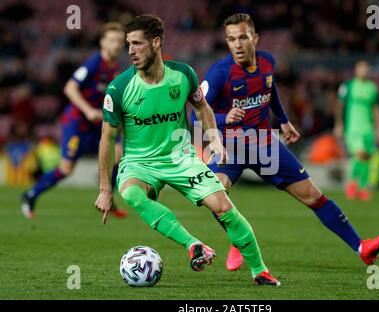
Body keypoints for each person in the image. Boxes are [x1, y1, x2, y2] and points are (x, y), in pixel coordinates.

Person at [190, 13, 379, 272]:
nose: (237, 44)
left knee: (313, 196)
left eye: (242, 37)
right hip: (232, 147)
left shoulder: (268, 63)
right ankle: (238, 239)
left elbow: (269, 91)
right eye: (231, 39)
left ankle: (362, 248)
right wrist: (222, 116)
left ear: (255, 38)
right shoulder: (219, 73)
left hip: (265, 146)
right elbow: (197, 109)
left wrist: (283, 120)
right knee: (215, 195)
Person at [95, 14, 280, 286]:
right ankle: (194, 245)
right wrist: (105, 189)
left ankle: (259, 269)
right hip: (139, 163)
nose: (131, 51)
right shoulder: (119, 88)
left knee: (224, 206)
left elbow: (202, 107)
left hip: (181, 159)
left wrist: (214, 139)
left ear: (156, 43)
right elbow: (106, 139)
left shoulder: (183, 74)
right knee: (133, 194)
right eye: (129, 44)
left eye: (138, 44)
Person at [21, 22, 128, 219]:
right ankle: (30, 194)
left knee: (118, 156)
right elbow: (70, 88)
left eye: (120, 41)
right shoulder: (94, 63)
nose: (117, 45)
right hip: (77, 123)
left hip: (97, 124)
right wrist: (88, 110)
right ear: (103, 43)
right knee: (66, 169)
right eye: (112, 40)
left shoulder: (116, 68)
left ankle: (107, 199)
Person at [334, 60, 379, 201]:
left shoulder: (372, 88)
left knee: (367, 157)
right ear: (356, 71)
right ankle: (351, 184)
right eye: (361, 69)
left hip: (368, 128)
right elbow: (339, 105)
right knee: (360, 154)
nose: (364, 71)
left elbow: (376, 109)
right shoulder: (348, 86)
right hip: (352, 128)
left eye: (366, 69)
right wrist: (338, 124)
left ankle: (362, 187)